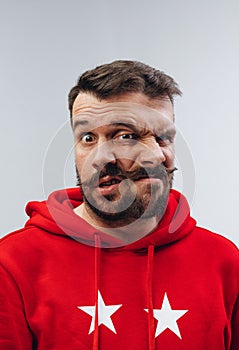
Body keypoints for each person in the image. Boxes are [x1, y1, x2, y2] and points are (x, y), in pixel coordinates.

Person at [0, 60, 238, 350]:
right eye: (87, 137)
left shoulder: (224, 262)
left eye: (125, 136)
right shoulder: (12, 265)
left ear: (165, 150)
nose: (99, 158)